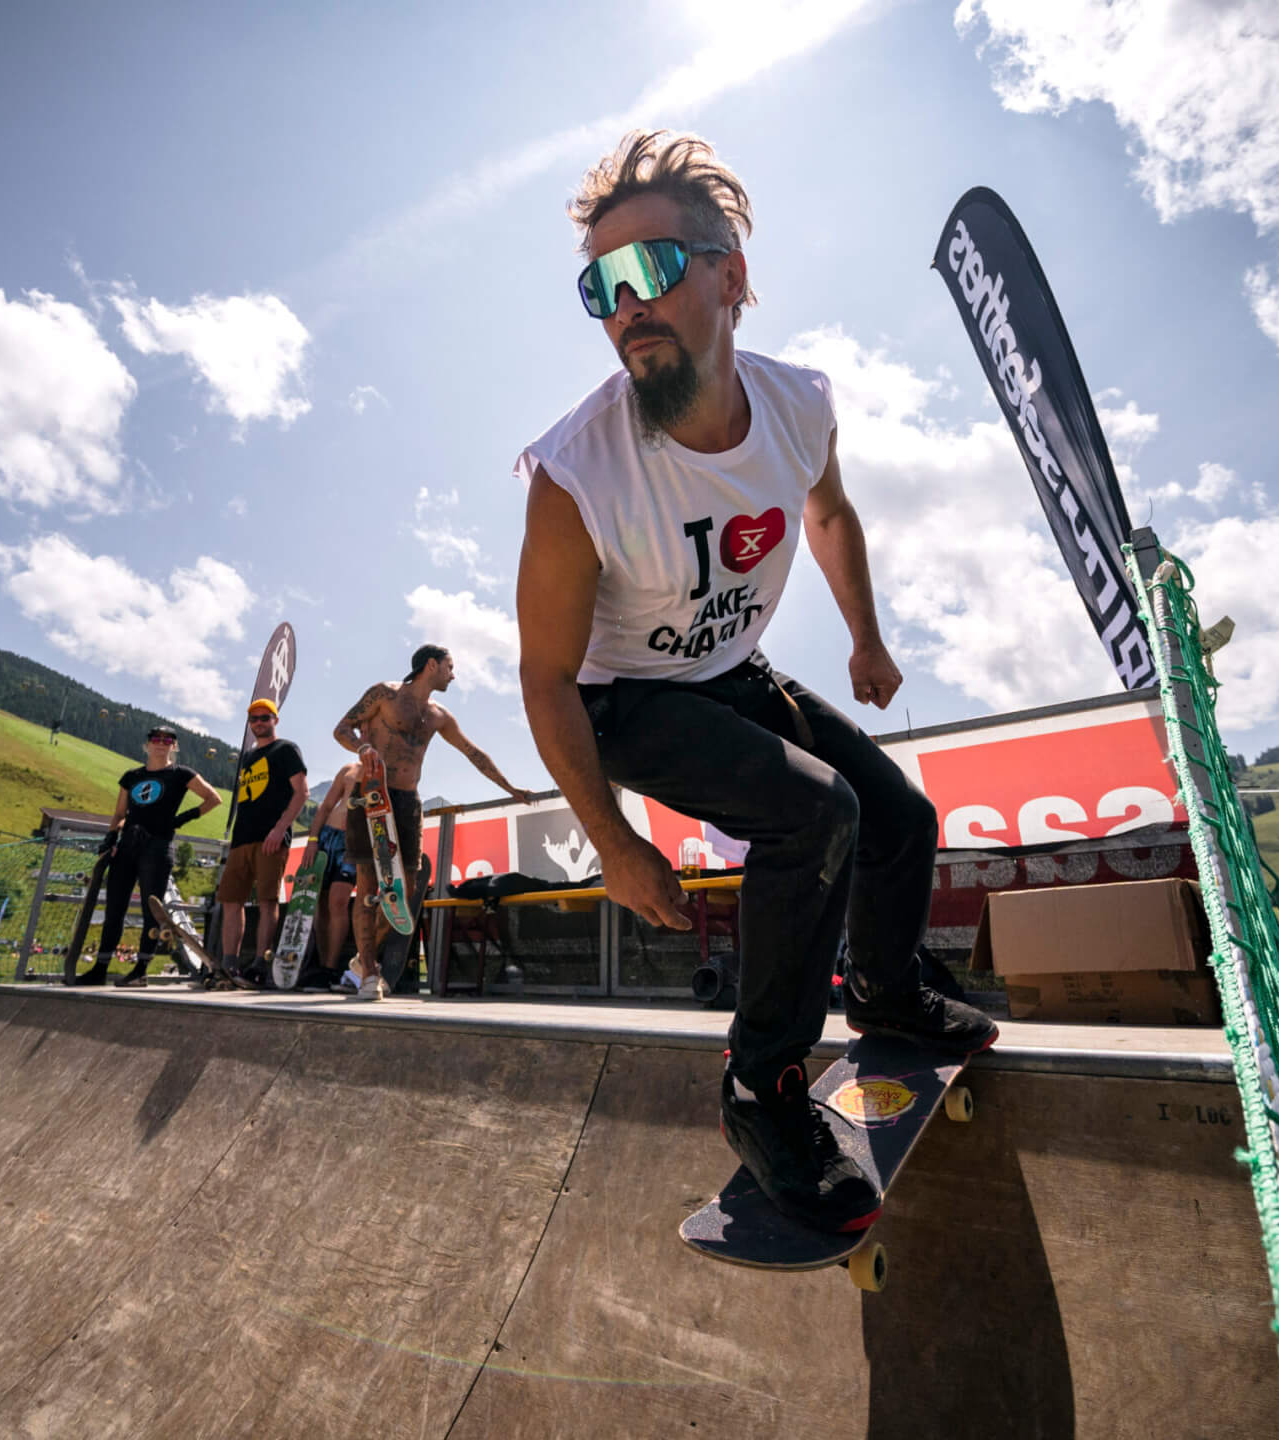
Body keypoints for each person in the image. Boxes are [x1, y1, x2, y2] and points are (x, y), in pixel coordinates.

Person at [512, 130, 996, 1237]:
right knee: (814, 814)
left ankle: (885, 991)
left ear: (731, 278)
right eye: (600, 287)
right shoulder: (576, 475)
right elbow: (543, 678)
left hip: (733, 670)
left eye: (651, 269)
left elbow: (830, 514)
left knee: (899, 817)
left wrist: (866, 640)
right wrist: (614, 842)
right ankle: (761, 1089)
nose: (626, 307)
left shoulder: (798, 406)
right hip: (623, 700)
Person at [333, 644, 533, 1001]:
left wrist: (510, 788)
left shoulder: (439, 716)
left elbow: (473, 752)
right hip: (373, 795)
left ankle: (362, 959)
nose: (453, 675)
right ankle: (370, 972)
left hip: (408, 801)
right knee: (367, 886)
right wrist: (363, 749)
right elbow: (342, 729)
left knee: (405, 890)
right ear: (431, 665)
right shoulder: (384, 694)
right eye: (449, 667)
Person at [68, 728, 220, 988]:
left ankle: (140, 970)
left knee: (153, 909)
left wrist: (181, 819)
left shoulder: (181, 773)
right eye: (156, 739)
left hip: (158, 846)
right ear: (147, 744)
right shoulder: (132, 776)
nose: (161, 744)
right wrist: (110, 838)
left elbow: (213, 798)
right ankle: (100, 968)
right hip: (128, 844)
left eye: (167, 740)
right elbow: (119, 813)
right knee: (114, 907)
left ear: (174, 746)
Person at [215, 698, 307, 986]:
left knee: (267, 900)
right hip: (242, 838)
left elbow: (301, 793)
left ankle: (260, 964)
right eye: (254, 719)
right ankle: (229, 964)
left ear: (275, 720)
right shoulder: (247, 757)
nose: (259, 723)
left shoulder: (286, 749)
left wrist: (280, 829)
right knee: (231, 900)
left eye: (265, 718)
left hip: (271, 838)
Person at [302, 760, 363, 989]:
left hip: (354, 843)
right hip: (328, 836)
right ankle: (320, 964)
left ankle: (330, 966)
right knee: (320, 901)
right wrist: (312, 839)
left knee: (338, 901)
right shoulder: (349, 768)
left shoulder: (386, 771)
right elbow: (327, 805)